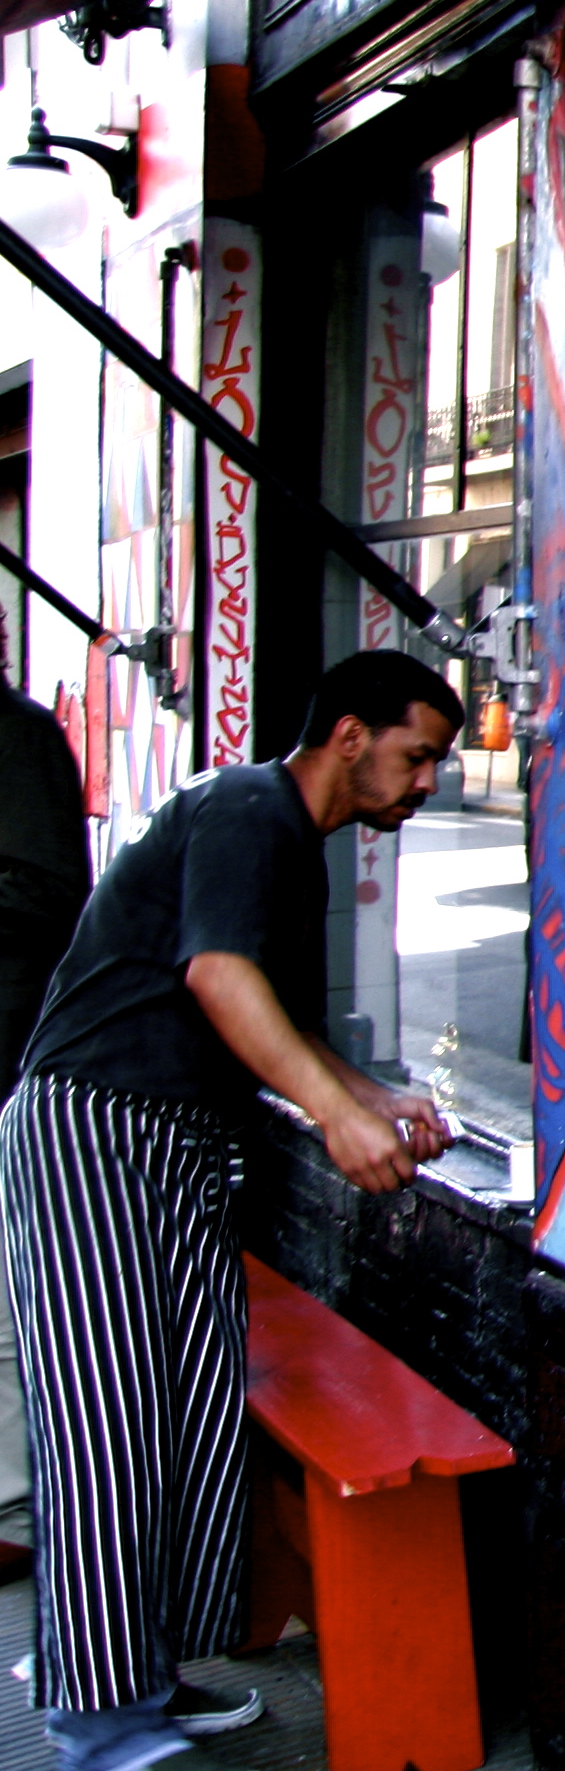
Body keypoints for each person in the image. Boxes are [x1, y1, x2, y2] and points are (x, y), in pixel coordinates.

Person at [2, 651, 459, 1771]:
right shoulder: (249, 808)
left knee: (190, 1413)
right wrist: (335, 1117)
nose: (426, 783)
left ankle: (140, 1675)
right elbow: (219, 979)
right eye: (416, 755)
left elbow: (273, 1025)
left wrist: (375, 1098)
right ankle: (99, 1720)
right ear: (349, 735)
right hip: (94, 1131)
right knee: (108, 1424)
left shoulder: (286, 842)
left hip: (175, 1143)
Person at [0, 663, 93, 1592]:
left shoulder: (21, 737)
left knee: (5, 1299)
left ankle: (11, 1513)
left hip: (9, 1053)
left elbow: (48, 894)